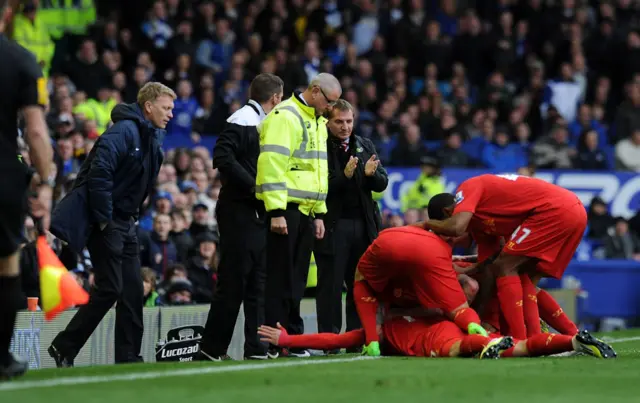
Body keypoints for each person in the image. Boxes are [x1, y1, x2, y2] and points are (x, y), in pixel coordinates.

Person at [48, 82, 176, 367]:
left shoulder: (152, 137)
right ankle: (64, 347)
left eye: (172, 109)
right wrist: (105, 221)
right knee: (111, 287)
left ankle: (128, 356)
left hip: (125, 221)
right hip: (106, 221)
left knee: (131, 290)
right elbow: (99, 173)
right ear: (149, 106)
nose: (170, 115)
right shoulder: (123, 131)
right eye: (166, 108)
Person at [418, 174, 587, 340]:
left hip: (554, 210)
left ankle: (521, 340)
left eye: (446, 235)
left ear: (449, 212)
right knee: (524, 276)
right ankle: (573, 336)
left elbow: (456, 227)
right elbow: (489, 268)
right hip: (573, 210)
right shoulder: (483, 221)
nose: (451, 242)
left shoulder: (467, 188)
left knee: (506, 267)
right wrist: (472, 271)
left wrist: (425, 225)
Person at [199, 73, 284, 361]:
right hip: (238, 211)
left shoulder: (259, 121)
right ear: (275, 98)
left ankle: (257, 347)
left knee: (257, 281)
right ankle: (211, 348)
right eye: (280, 99)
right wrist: (253, 184)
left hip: (254, 212)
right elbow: (221, 157)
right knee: (234, 281)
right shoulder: (242, 119)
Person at [256, 73, 341, 358]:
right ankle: (274, 338)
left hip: (305, 211)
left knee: (297, 279)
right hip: (287, 210)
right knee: (281, 277)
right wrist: (276, 211)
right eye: (329, 102)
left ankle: (290, 338)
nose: (330, 109)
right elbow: (272, 164)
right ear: (315, 91)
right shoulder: (286, 116)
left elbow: (316, 172)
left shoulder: (314, 120)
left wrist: (319, 213)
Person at [0, 0, 54, 379]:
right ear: (7, 13)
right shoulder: (21, 60)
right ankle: (2, 359)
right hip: (2, 174)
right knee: (6, 261)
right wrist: (46, 181)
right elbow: (35, 131)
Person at [314, 99, 388, 344]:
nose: (345, 127)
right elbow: (317, 187)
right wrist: (343, 178)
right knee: (331, 287)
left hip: (363, 225)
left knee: (359, 285)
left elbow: (382, 182)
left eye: (348, 121)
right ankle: (329, 340)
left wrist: (370, 176)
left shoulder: (364, 144)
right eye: (339, 122)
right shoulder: (319, 146)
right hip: (333, 225)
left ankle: (356, 338)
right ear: (327, 122)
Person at [354, 225, 489, 356]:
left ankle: (372, 340)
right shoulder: (435, 250)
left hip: (388, 242)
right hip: (407, 316)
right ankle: (476, 330)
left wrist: (372, 337)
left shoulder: (430, 245)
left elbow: (362, 281)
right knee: (461, 310)